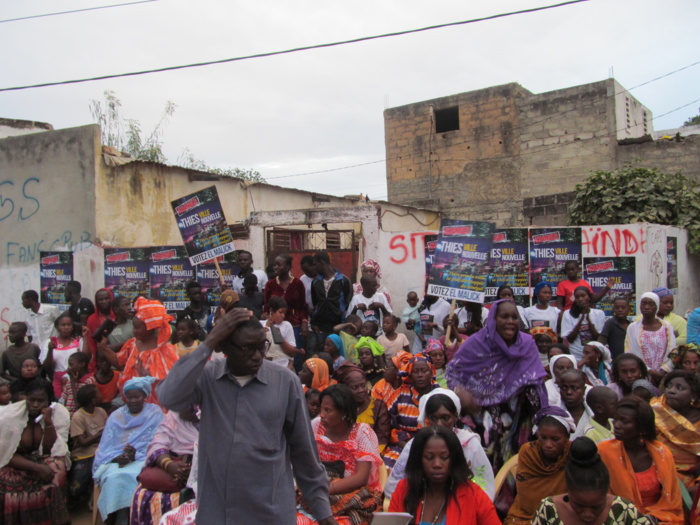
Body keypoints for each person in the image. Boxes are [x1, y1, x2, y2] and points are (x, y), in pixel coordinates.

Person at [157, 308, 337, 525]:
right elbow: (168, 396)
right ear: (224, 347)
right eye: (248, 348)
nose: (258, 355)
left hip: (271, 514)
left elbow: (304, 452)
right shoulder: (207, 378)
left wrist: (323, 512)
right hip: (218, 514)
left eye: (262, 346)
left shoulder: (285, 382)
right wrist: (209, 341)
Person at [446, 299, 548, 472]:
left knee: (517, 464)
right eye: (504, 316)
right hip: (481, 413)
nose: (510, 321)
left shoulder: (527, 344)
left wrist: (542, 418)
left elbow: (536, 381)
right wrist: (461, 392)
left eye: (514, 317)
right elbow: (452, 373)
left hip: (518, 418)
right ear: (493, 319)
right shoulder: (476, 343)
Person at [385, 389, 495, 501]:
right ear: (427, 418)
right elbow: (393, 487)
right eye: (433, 418)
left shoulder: (469, 444)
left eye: (445, 418)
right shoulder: (415, 445)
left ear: (455, 417)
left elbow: (484, 486)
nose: (439, 424)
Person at [296, 384, 383, 525]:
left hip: (352, 496)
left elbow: (361, 478)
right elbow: (306, 462)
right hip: (318, 490)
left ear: (344, 413)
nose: (321, 415)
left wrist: (324, 490)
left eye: (328, 410)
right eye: (321, 409)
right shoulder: (316, 426)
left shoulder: (362, 433)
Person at [388, 426, 500, 525]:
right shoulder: (404, 489)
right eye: (429, 457)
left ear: (454, 459)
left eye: (444, 457)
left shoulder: (473, 495)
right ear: (418, 459)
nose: (437, 464)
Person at [599, 396, 684, 524]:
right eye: (615, 419)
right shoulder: (603, 451)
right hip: (617, 518)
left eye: (624, 421)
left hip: (658, 518)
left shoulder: (661, 453)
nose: (616, 425)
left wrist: (651, 519)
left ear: (641, 428)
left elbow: (671, 499)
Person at [93, 376, 164, 524]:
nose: (132, 401)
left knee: (134, 474)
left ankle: (131, 518)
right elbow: (106, 445)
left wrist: (135, 454)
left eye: (136, 397)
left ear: (145, 396)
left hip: (144, 459)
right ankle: (112, 518)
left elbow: (158, 442)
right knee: (114, 477)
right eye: (129, 397)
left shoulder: (155, 413)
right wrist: (118, 457)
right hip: (115, 460)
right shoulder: (116, 416)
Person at [0, 377, 71, 525]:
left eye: (41, 401)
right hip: (13, 461)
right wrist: (37, 467)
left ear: (49, 402)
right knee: (8, 482)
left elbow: (49, 450)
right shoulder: (9, 417)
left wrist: (48, 422)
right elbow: (6, 455)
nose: (35, 405)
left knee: (57, 471)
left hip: (40, 458)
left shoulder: (58, 413)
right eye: (31, 400)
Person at [532, 436, 649, 525]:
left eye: (596, 507)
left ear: (607, 492)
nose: (588, 515)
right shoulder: (548, 510)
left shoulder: (623, 510)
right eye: (579, 505)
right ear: (568, 490)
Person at [101, 297, 179, 405]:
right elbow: (119, 363)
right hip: (133, 404)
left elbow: (173, 382)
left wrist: (150, 377)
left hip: (157, 406)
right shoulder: (132, 344)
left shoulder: (166, 350)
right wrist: (104, 348)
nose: (134, 331)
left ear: (150, 327)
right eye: (134, 327)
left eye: (138, 328)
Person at [130, 405, 199, 525]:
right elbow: (157, 443)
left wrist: (194, 471)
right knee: (142, 492)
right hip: (174, 465)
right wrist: (170, 466)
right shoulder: (173, 416)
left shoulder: (216, 419)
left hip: (203, 470)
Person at [504, 406, 574, 524]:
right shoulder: (528, 452)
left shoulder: (572, 453)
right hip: (525, 516)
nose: (548, 444)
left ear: (566, 437)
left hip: (562, 517)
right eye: (543, 437)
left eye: (555, 439)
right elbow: (527, 496)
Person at [383, 353, 438, 467]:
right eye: (416, 371)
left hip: (435, 445)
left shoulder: (440, 395)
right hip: (402, 444)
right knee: (388, 467)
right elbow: (387, 424)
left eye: (424, 371)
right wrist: (407, 446)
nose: (420, 375)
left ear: (431, 372)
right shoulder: (399, 394)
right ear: (410, 374)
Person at [650, 370, 700, 490]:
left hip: (691, 478)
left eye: (679, 388)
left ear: (693, 396)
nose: (671, 390)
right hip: (656, 472)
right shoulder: (655, 411)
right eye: (669, 386)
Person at [264, 253, 309, 366]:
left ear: (288, 267)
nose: (276, 268)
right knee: (276, 356)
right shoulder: (270, 284)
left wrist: (304, 322)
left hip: (294, 326)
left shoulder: (298, 283)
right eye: (275, 265)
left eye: (279, 265)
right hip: (275, 327)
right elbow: (266, 308)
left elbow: (303, 307)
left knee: (295, 359)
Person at [334, 363, 390, 453]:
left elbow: (382, 437)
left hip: (373, 454)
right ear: (345, 389)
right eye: (355, 387)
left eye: (363, 385)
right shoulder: (339, 408)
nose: (361, 390)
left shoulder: (378, 406)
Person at [68, 384, 107, 508]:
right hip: (83, 454)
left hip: (100, 451)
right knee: (75, 489)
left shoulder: (101, 412)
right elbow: (82, 442)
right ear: (93, 400)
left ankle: (94, 496)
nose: (101, 395)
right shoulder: (78, 416)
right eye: (98, 394)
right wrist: (101, 433)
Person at [625, 292, 676, 385]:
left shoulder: (667, 327)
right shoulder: (633, 328)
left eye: (651, 304)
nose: (646, 307)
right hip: (640, 375)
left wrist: (662, 371)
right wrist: (648, 371)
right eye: (643, 303)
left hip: (663, 376)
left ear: (656, 307)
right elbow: (630, 352)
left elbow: (673, 352)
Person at [309, 251, 353, 355]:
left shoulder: (343, 280)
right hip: (321, 327)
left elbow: (347, 304)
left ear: (322, 262)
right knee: (322, 354)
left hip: (338, 326)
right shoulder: (315, 282)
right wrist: (314, 323)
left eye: (315, 265)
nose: (314, 268)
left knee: (338, 355)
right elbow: (316, 305)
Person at [41, 312, 87, 399]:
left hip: (76, 379)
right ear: (57, 327)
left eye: (69, 325)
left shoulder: (78, 341)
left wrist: (86, 337)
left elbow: (86, 357)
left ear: (72, 327)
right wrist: (50, 350)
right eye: (63, 325)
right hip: (57, 381)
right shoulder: (50, 342)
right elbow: (46, 367)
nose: (66, 327)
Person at [561, 286, 606, 361]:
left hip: (594, 357)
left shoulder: (599, 313)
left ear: (588, 297)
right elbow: (570, 339)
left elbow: (598, 338)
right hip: (576, 356)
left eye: (583, 296)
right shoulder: (568, 314)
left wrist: (588, 320)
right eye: (577, 297)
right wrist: (581, 319)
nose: (580, 299)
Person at [263, 296, 301, 369]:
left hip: (282, 368)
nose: (283, 315)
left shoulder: (286, 325)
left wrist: (279, 338)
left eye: (284, 313)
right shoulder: (260, 325)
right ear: (271, 311)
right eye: (280, 312)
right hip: (265, 368)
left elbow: (292, 352)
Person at [85, 288, 115, 373]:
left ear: (111, 299)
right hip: (101, 359)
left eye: (106, 298)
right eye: (101, 299)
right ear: (96, 302)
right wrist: (95, 361)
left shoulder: (117, 315)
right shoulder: (92, 319)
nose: (104, 301)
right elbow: (91, 343)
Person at [558, 369, 594, 439]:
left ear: (584, 390)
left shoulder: (594, 415)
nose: (569, 392)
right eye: (564, 388)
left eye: (574, 388)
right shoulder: (552, 415)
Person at [599, 296, 631, 360]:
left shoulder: (631, 325)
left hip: (629, 359)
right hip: (615, 361)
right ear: (613, 309)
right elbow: (600, 343)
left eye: (623, 308)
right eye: (617, 308)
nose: (620, 310)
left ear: (629, 310)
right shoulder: (610, 323)